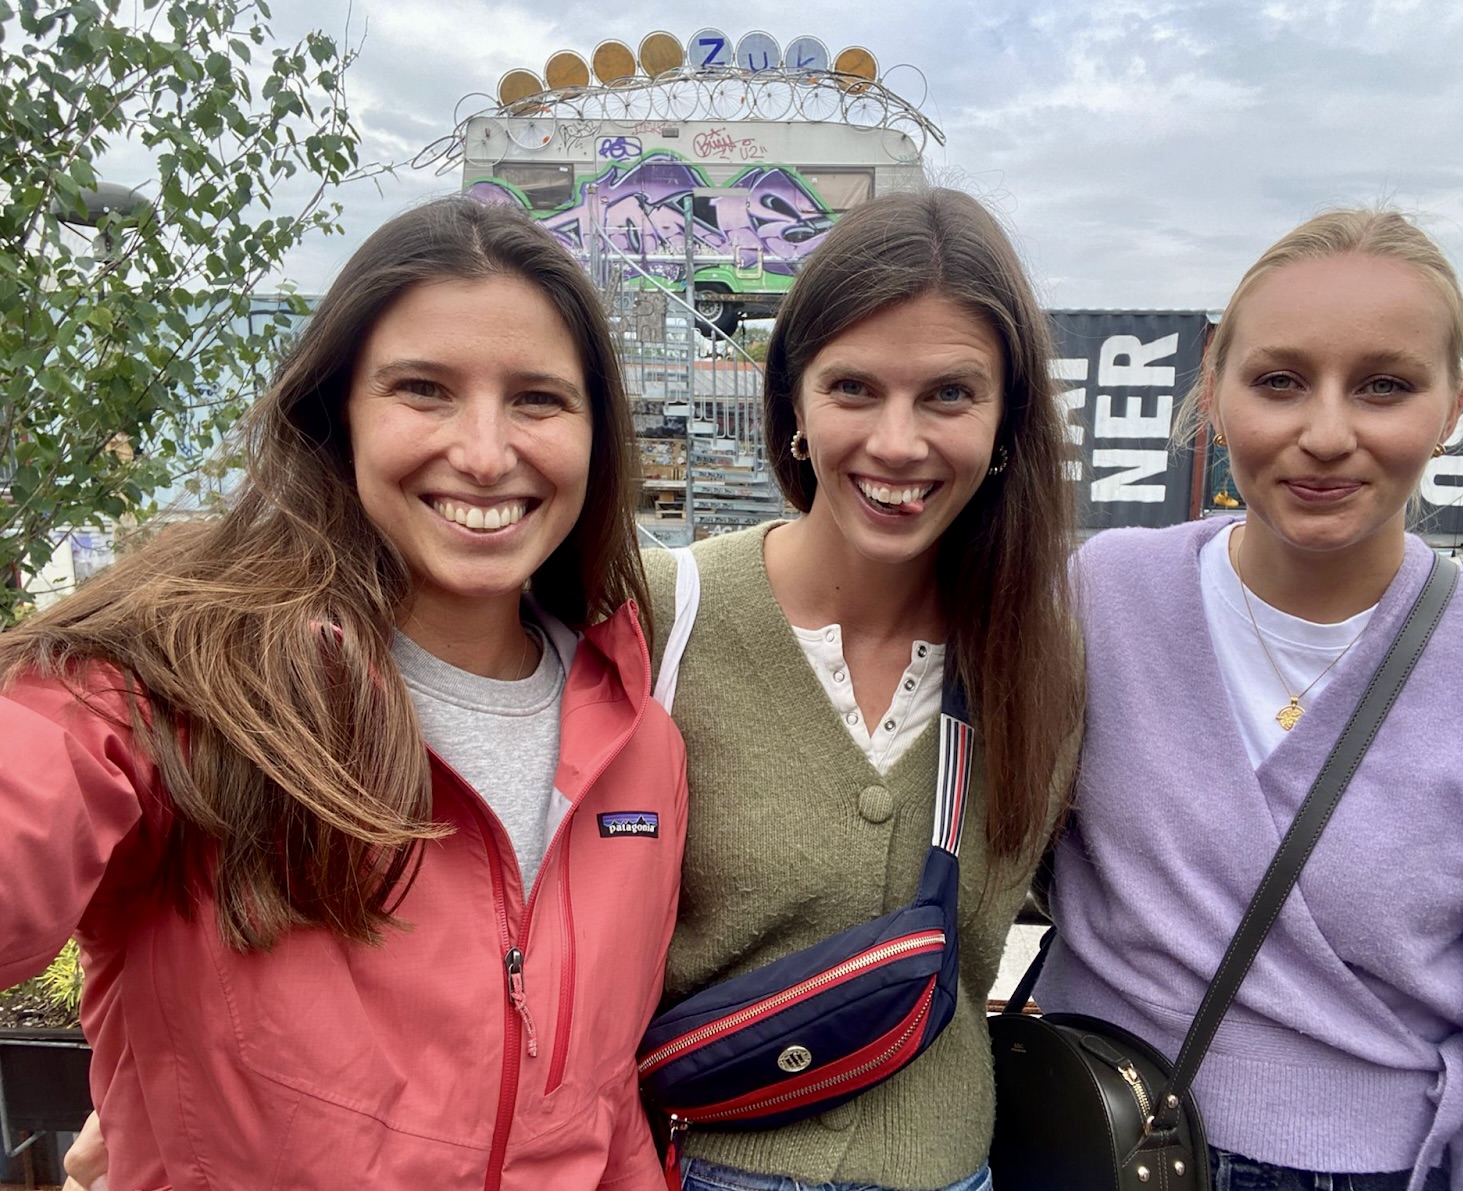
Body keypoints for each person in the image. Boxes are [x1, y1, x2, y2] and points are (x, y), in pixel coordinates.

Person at [0, 197, 688, 1189]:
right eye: (424, 389)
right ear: (339, 415)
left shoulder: (640, 748)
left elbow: (601, 1100)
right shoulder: (184, 685)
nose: (486, 451)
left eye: (538, 398)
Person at [1035, 209, 1463, 1189]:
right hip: (1091, 1136)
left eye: (1384, 386)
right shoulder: (1099, 597)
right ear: (1211, 387)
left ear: (1455, 404)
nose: (1326, 434)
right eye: (1279, 381)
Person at [644, 189, 1084, 1191]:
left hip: (949, 1169)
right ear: (791, 401)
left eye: (948, 395)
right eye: (852, 388)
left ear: (1008, 419)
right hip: (694, 1164)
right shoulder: (667, 611)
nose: (896, 443)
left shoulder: (1034, 659)